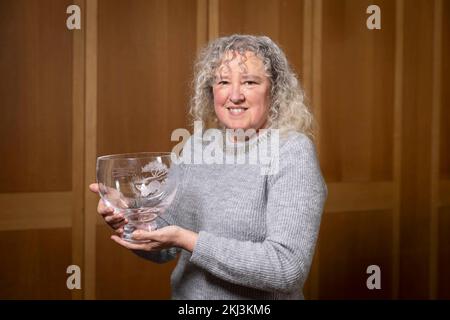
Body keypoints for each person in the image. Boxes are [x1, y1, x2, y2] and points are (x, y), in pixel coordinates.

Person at [89, 34, 327, 299]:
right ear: (211, 90)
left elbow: (286, 268)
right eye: (223, 82)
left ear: (274, 90)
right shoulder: (198, 146)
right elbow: (164, 244)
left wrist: (188, 240)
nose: (235, 95)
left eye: (249, 82)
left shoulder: (291, 151)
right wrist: (129, 218)